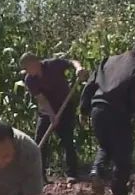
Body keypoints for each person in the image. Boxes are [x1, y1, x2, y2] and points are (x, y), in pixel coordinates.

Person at [79, 41, 135, 195]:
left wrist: (84, 110)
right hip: (117, 113)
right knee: (123, 154)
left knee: (105, 146)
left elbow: (90, 85)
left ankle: (96, 172)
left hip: (97, 110)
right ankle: (119, 193)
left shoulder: (108, 60)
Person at [20, 52, 89, 183]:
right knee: (40, 141)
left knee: (67, 140)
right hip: (46, 110)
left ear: (35, 63)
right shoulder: (30, 79)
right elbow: (41, 99)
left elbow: (72, 62)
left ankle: (72, 174)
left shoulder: (53, 64)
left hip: (65, 106)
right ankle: (40, 177)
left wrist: (78, 68)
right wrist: (52, 115)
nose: (27, 71)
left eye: (28, 68)